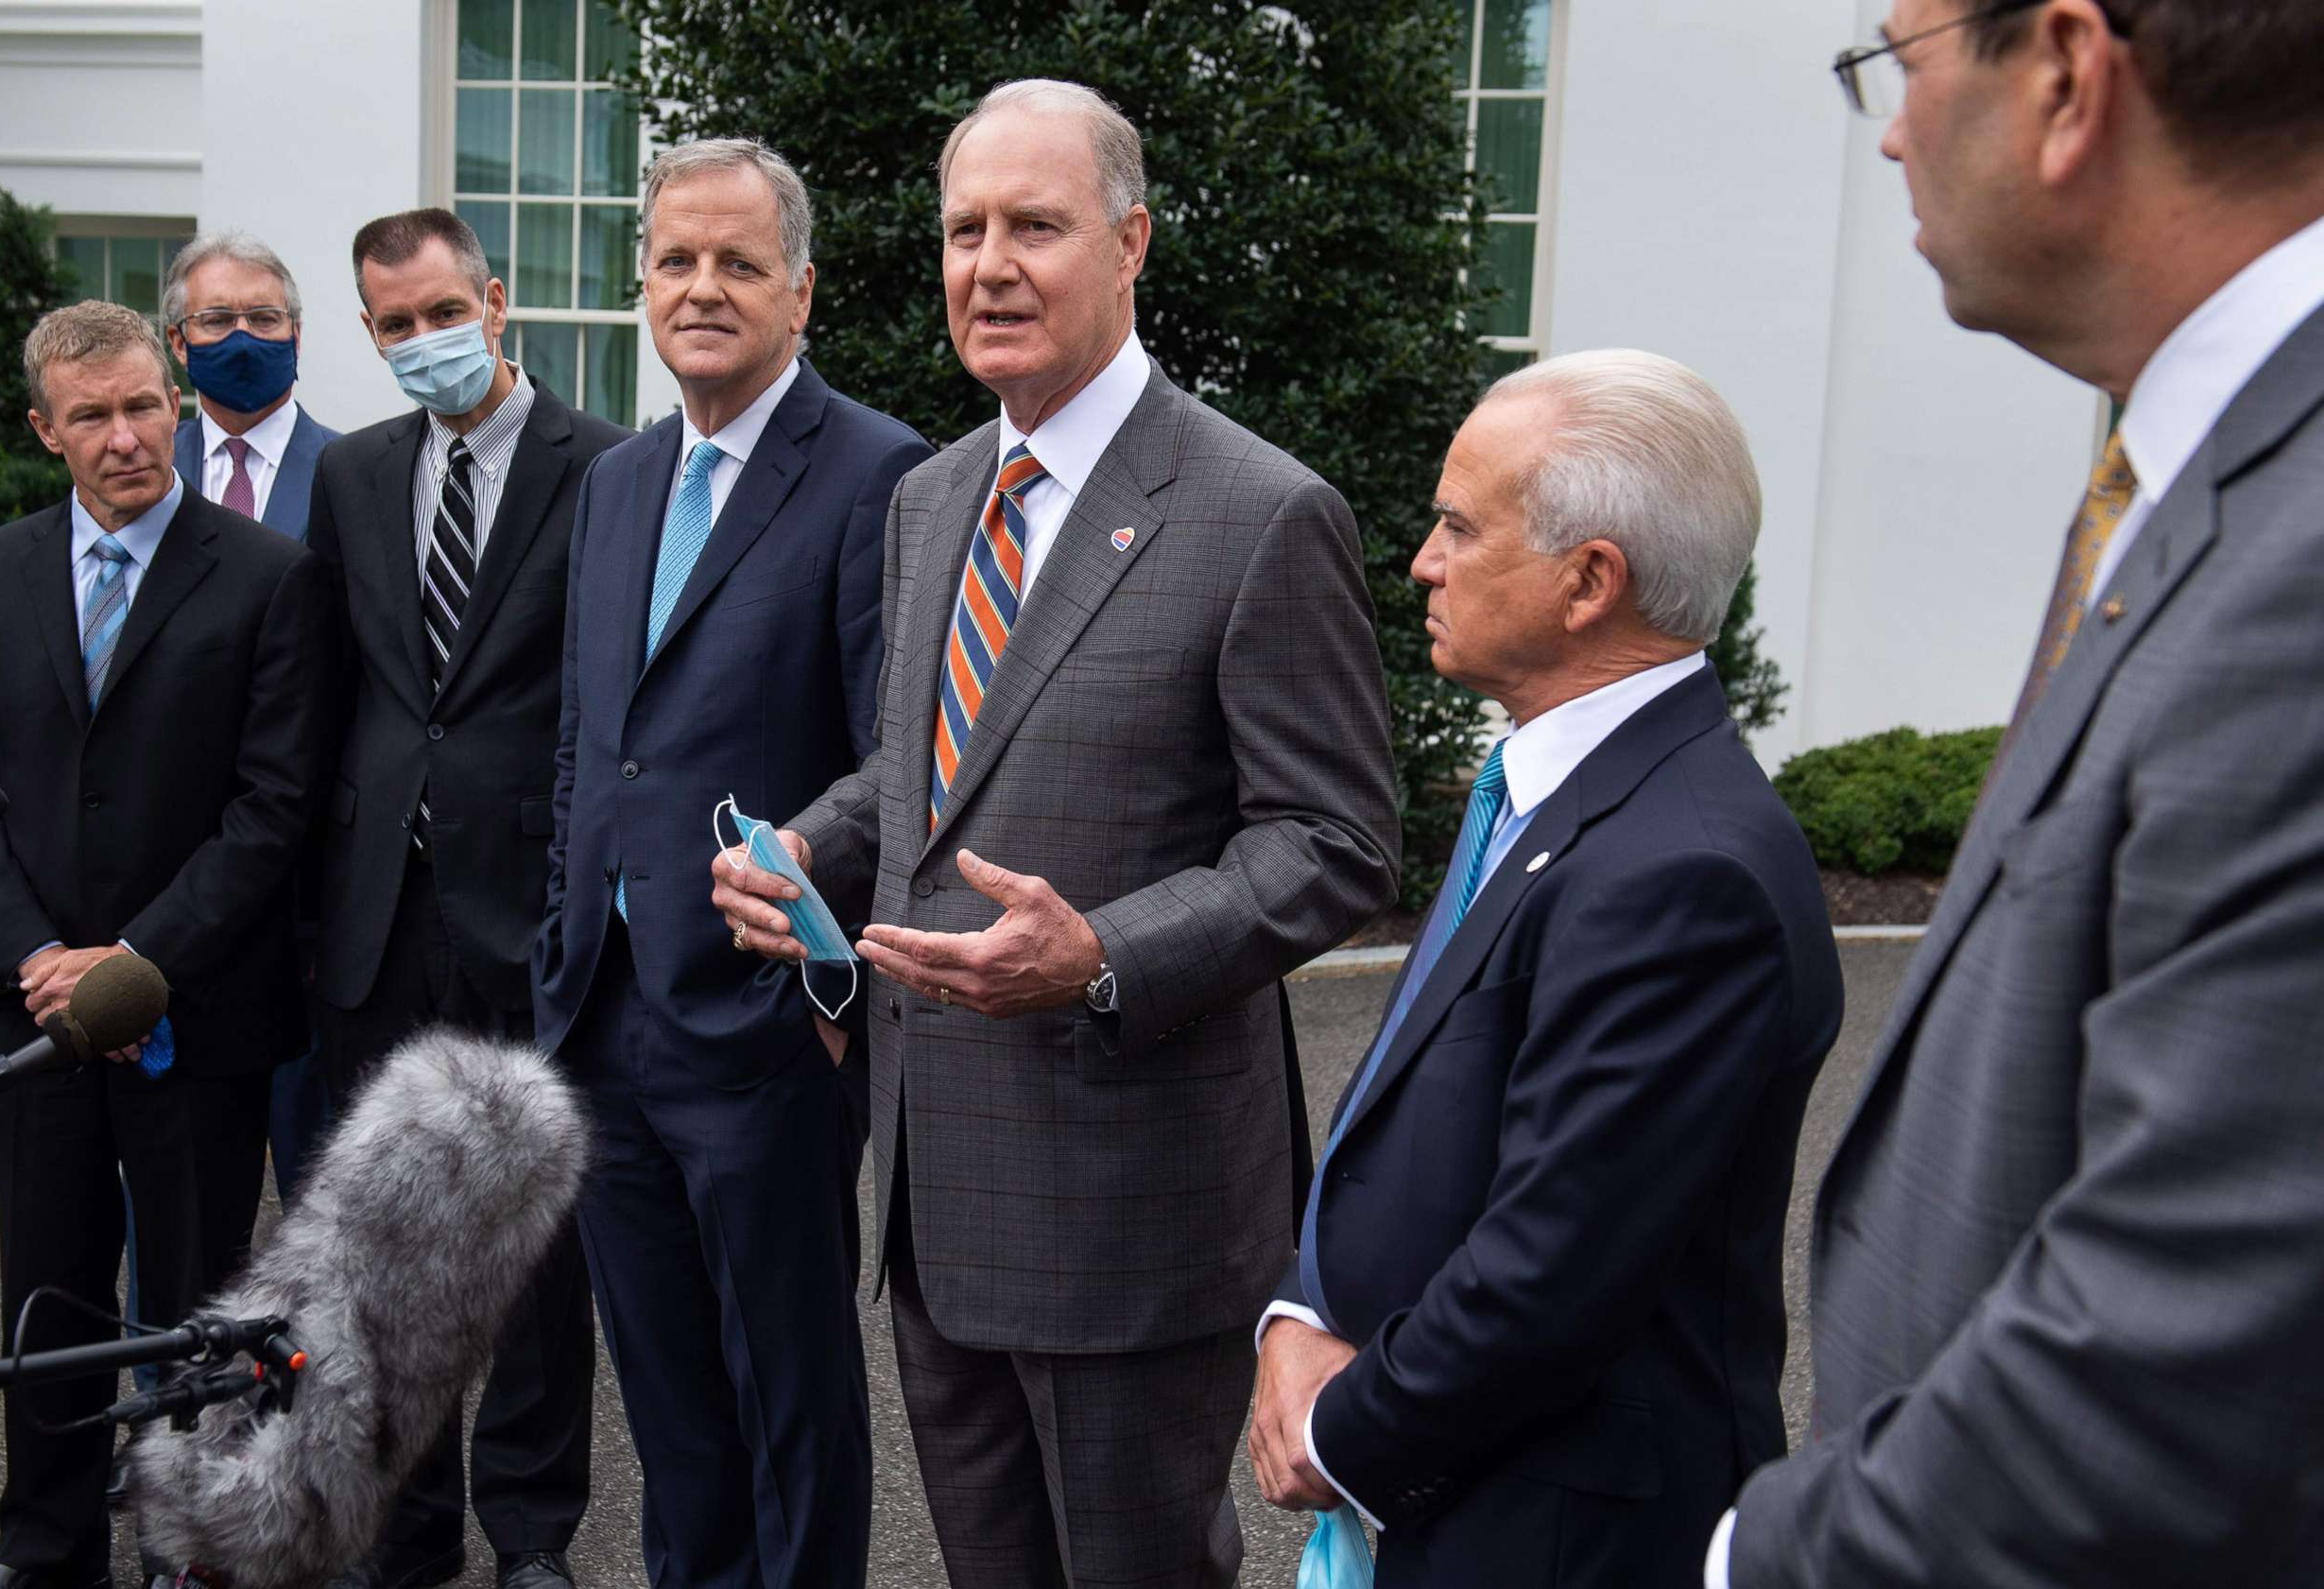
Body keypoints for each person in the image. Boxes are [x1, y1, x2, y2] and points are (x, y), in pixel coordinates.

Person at [713, 80, 1401, 1589]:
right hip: (935, 1198)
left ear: (1132, 241)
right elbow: (924, 765)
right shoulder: (933, 494)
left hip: (1129, 1214)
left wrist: (1105, 955)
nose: (990, 264)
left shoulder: (1259, 510)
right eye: (965, 230)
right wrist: (806, 849)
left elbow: (1338, 839)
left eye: (1036, 225)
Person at [1719, 3, 2324, 1585]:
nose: (1895, 130)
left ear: (2062, 73)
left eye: (1898, 65)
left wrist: (1756, 1560)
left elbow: (2189, 1341)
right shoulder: (2211, 470)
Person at [1246, 352, 1843, 1587]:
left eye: (1460, 526)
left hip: (1554, 1535)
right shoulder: (1558, 794)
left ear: (1590, 581)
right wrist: (1303, 1312)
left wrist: (1332, 1431)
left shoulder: (1687, 874)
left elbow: (1547, 1279)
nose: (1422, 560)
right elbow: (1418, 1106)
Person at [531, 140, 929, 1589]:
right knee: (671, 1408)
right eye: (677, 261)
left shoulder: (883, 474)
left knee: (790, 1403)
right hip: (603, 1020)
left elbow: (904, 755)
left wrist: (828, 992)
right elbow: (594, 739)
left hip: (768, 1029)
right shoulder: (620, 480)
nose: (703, 288)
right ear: (641, 282)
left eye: (739, 263)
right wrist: (562, 951)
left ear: (802, 289)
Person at [0, 301, 332, 1589]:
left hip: (196, 1015)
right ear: (46, 430)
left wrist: (135, 958)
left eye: (143, 404)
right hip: (35, 1017)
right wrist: (44, 954)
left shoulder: (266, 574)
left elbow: (276, 809)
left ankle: (191, 1553)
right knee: (46, 1292)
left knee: (202, 1304)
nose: (124, 436)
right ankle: (43, 1546)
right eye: (90, 415)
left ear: (178, 399)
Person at [304, 208, 624, 1589]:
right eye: (394, 323)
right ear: (368, 332)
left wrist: (581, 901)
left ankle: (534, 1533)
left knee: (537, 1250)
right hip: (378, 915)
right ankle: (409, 1524)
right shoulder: (355, 476)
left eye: (444, 310)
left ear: (497, 301)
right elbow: (334, 690)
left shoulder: (607, 468)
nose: (423, 340)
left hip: (529, 911)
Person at [161, 230, 341, 1205]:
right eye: (217, 319)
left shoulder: (357, 476)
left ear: (299, 336)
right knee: (187, 1207)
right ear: (177, 341)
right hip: (179, 893)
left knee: (324, 1202)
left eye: (263, 318)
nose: (242, 337)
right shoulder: (138, 473)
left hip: (317, 901)